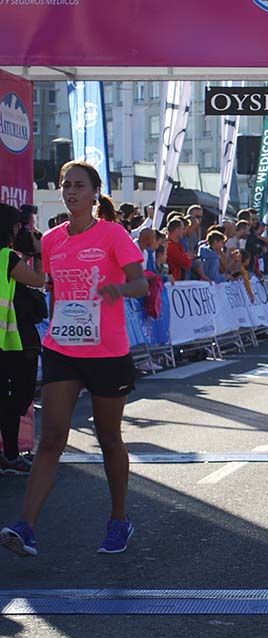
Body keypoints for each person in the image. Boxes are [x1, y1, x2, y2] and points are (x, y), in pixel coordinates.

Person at [1, 160, 148, 557]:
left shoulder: (113, 234)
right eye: (66, 185)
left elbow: (140, 282)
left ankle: (119, 519)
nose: (70, 191)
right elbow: (54, 287)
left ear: (94, 192)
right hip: (62, 347)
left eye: (79, 186)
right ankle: (26, 526)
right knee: (51, 438)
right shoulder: (51, 240)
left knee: (108, 437)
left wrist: (119, 290)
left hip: (107, 351)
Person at [0, 204, 46, 474]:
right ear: (12, 228)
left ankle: (11, 455)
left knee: (7, 399)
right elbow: (39, 281)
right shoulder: (7, 257)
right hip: (12, 339)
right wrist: (38, 253)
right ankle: (12, 455)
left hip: (10, 338)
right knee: (18, 397)